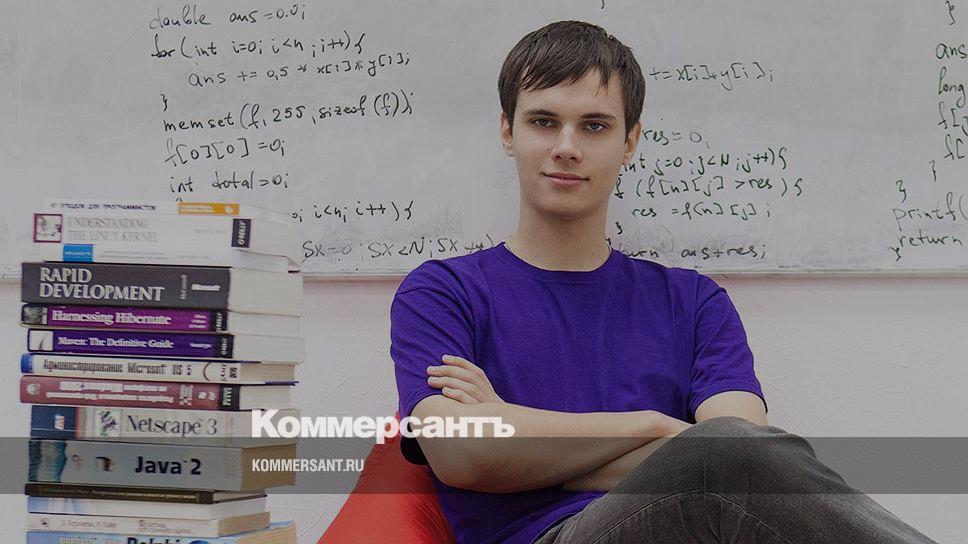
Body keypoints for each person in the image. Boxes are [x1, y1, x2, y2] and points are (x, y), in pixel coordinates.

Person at [390, 20, 937, 544]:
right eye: (544, 121)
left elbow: (743, 455)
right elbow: (460, 452)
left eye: (595, 125)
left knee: (730, 455)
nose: (567, 146)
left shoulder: (694, 301)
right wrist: (657, 427)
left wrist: (517, 434)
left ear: (630, 141)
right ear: (508, 131)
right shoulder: (441, 293)